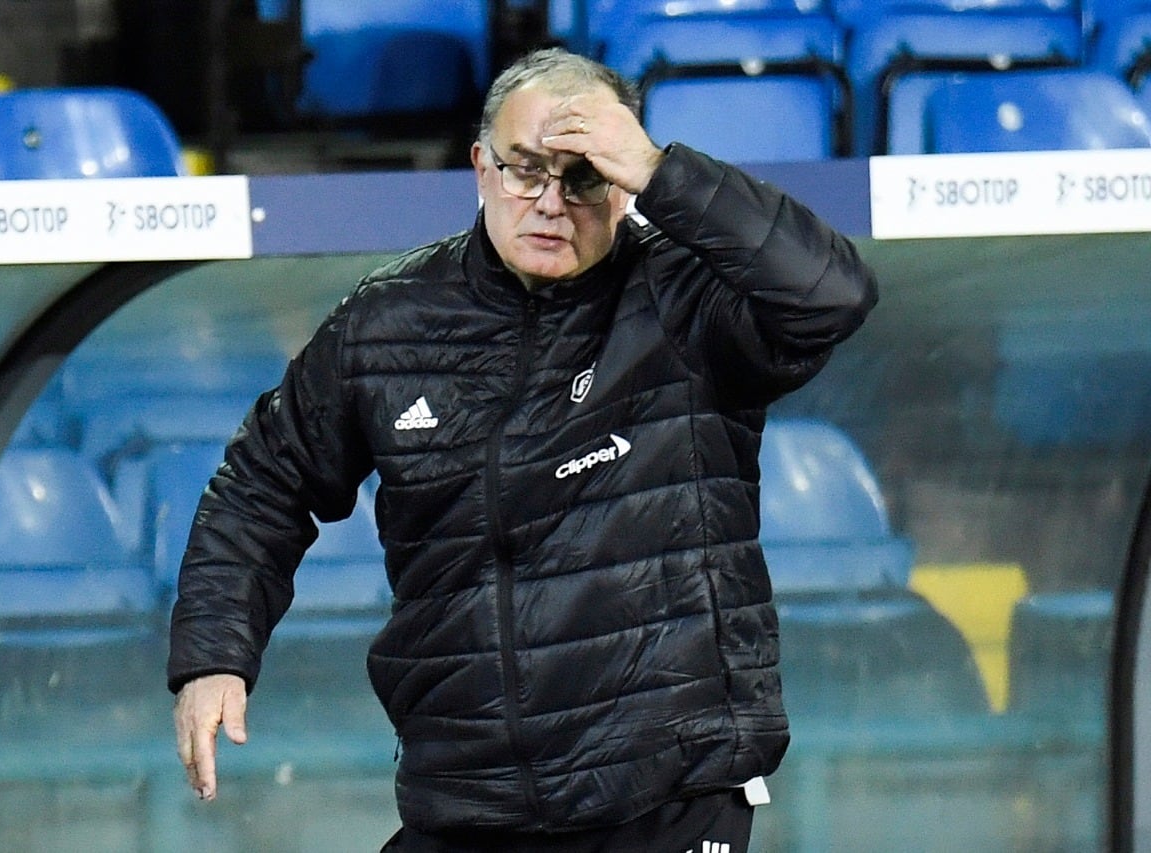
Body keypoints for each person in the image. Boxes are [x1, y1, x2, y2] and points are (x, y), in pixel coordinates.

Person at [169, 47, 878, 852]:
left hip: (664, 797)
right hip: (468, 801)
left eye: (582, 177)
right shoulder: (389, 320)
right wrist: (213, 657)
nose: (549, 202)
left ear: (622, 186)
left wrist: (662, 169)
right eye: (524, 169)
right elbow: (262, 481)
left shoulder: (685, 302)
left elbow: (832, 295)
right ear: (480, 166)